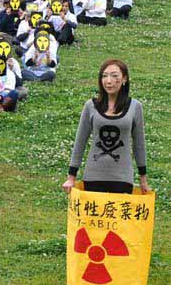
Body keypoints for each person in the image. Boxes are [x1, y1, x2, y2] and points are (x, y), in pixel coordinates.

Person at [63, 59, 148, 195]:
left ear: (124, 79)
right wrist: (71, 176)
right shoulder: (90, 106)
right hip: (93, 176)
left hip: (122, 178)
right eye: (104, 76)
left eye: (114, 76)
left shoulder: (135, 106)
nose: (109, 81)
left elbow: (139, 145)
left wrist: (143, 178)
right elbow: (80, 142)